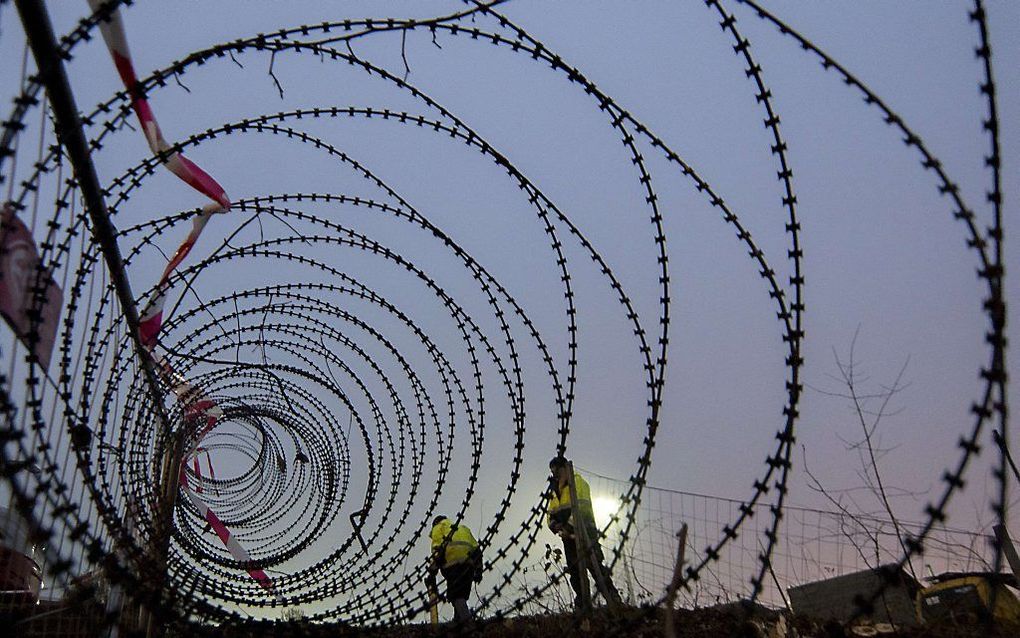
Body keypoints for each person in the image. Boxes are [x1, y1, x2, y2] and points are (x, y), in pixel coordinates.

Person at [547, 457, 622, 608]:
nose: (555, 475)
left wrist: (568, 527)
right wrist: (555, 525)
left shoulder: (578, 483)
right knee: (574, 569)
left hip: (585, 532)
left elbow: (582, 508)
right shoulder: (554, 491)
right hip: (567, 537)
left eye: (557, 471)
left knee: (594, 565)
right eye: (553, 472)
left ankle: (612, 598)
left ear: (565, 469)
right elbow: (550, 513)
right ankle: (583, 603)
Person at [428, 515, 482, 623]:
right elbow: (477, 550)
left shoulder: (438, 528)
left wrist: (432, 572)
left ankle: (467, 623)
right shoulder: (462, 528)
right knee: (461, 594)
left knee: (455, 595)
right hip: (469, 565)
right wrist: (479, 570)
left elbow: (438, 550)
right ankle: (458, 621)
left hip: (452, 564)